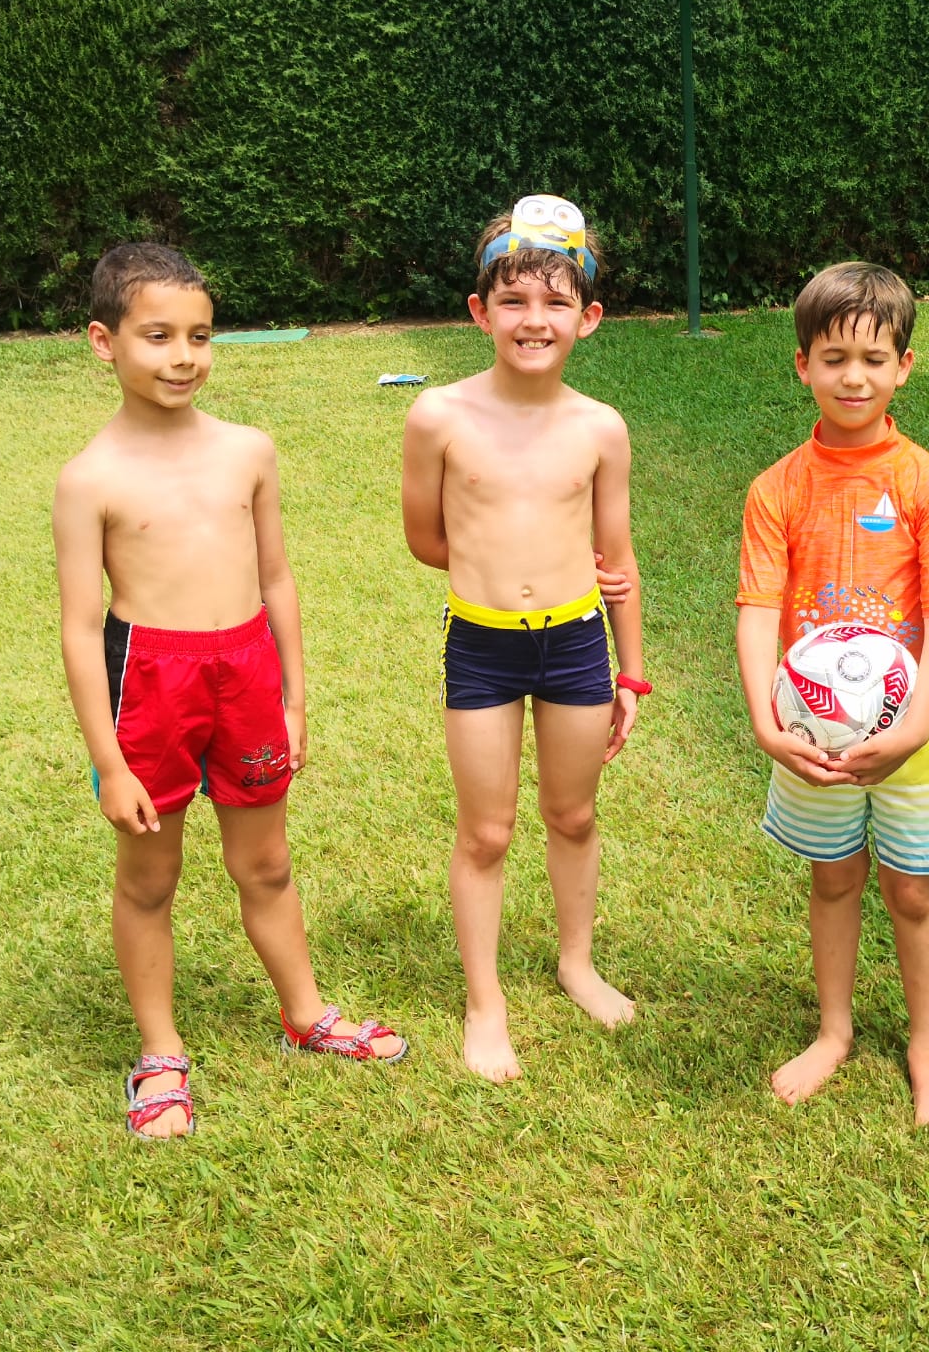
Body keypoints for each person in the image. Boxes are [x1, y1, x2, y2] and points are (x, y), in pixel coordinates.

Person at [54, 242, 406, 1142]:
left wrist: (294, 698)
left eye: (200, 336)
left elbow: (277, 578)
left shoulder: (249, 451)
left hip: (246, 670)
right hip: (151, 681)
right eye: (158, 336)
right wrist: (109, 764)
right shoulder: (89, 479)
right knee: (150, 878)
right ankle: (160, 1052)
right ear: (103, 342)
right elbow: (79, 628)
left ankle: (306, 1014)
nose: (183, 357)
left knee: (268, 863)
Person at [400, 195, 648, 1084]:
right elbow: (427, 539)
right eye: (513, 300)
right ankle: (485, 1002)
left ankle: (577, 963)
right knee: (486, 831)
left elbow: (617, 559)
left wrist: (632, 673)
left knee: (573, 815)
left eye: (554, 302)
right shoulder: (438, 416)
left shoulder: (600, 428)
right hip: (483, 646)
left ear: (589, 318)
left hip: (576, 646)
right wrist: (499, 571)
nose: (533, 320)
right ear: (481, 312)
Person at [735, 261, 929, 1127]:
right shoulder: (777, 488)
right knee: (833, 879)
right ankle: (833, 1032)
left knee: (913, 891)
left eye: (874, 359)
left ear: (904, 367)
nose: (853, 377)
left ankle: (926, 1048)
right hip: (810, 731)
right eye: (834, 358)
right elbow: (758, 610)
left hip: (916, 734)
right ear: (803, 364)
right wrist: (767, 722)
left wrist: (912, 727)